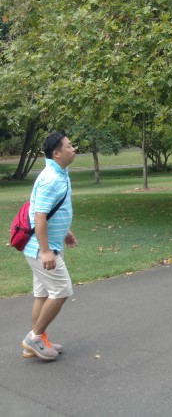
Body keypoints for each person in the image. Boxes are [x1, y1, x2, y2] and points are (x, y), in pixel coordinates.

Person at [21, 130, 77, 361]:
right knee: (62, 290)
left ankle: (36, 340)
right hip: (41, 249)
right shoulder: (50, 178)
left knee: (43, 294)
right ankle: (33, 338)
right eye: (69, 145)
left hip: (47, 244)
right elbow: (40, 216)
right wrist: (45, 251)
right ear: (57, 153)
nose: (73, 149)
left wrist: (65, 231)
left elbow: (54, 209)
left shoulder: (60, 173)